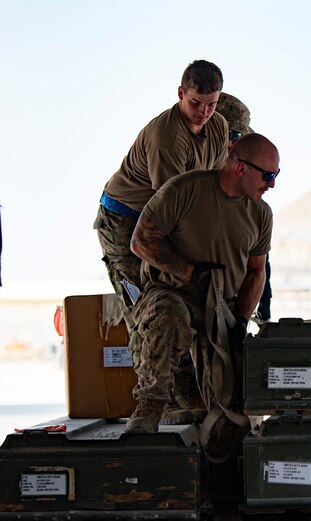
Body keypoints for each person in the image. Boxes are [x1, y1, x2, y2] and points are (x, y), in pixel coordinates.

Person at [125, 133, 277, 434]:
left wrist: (241, 321)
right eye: (268, 175)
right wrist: (190, 272)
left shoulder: (260, 213)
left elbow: (256, 272)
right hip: (171, 292)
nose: (272, 184)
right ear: (241, 167)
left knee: (228, 404)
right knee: (169, 316)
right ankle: (150, 408)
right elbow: (140, 241)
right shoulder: (185, 190)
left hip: (221, 305)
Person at [94, 59, 229, 371]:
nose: (204, 112)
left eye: (212, 104)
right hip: (124, 222)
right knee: (148, 307)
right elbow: (170, 208)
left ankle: (186, 388)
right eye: (196, 103)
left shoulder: (218, 126)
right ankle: (153, 397)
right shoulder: (167, 138)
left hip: (166, 217)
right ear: (181, 93)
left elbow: (214, 187)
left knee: (184, 299)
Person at [215, 92, 273, 320]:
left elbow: (258, 247)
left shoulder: (244, 168)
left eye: (239, 137)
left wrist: (263, 302)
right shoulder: (191, 165)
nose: (234, 143)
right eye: (232, 135)